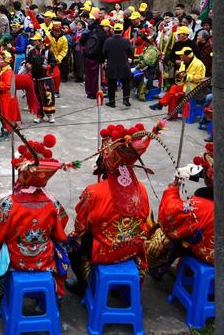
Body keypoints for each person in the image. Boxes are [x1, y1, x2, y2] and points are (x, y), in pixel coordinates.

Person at [67, 123, 158, 296]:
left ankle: (84, 284)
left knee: (74, 241)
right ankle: (121, 286)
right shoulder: (142, 190)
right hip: (133, 250)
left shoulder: (94, 192)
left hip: (105, 251)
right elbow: (145, 219)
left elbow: (80, 225)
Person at [0, 134, 70, 299]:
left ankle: (5, 294)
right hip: (44, 259)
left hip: (16, 260)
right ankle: (51, 297)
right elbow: (61, 227)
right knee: (61, 244)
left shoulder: (8, 203)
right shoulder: (52, 203)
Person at [148, 143, 215, 278]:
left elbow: (171, 214)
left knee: (168, 235)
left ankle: (158, 269)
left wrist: (172, 191)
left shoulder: (200, 205)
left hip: (209, 254)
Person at [150, 47, 206, 118]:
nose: (180, 56)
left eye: (182, 55)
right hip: (183, 85)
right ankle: (171, 114)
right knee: (173, 93)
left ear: (187, 56)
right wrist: (178, 75)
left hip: (194, 87)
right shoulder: (183, 63)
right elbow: (180, 75)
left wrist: (186, 76)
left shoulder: (199, 64)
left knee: (173, 89)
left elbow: (200, 78)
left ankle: (161, 104)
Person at [26, 33, 57, 123]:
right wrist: (28, 65)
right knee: (37, 97)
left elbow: (54, 62)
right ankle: (39, 115)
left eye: (36, 40)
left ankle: (50, 115)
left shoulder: (48, 52)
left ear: (40, 41)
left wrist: (47, 67)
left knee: (48, 96)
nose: (34, 42)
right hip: (36, 78)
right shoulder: (32, 51)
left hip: (46, 78)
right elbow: (27, 60)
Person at [103, 22, 134, 108]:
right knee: (126, 83)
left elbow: (104, 53)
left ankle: (112, 102)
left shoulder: (108, 41)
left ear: (113, 30)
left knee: (111, 84)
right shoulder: (126, 41)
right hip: (124, 65)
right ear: (122, 31)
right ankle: (126, 99)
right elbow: (130, 52)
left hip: (111, 64)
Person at [45, 22, 68, 97]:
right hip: (48, 59)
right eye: (55, 31)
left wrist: (59, 58)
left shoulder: (64, 39)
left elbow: (64, 50)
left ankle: (56, 90)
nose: (57, 33)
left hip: (57, 60)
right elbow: (45, 48)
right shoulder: (48, 36)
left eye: (58, 31)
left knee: (57, 75)